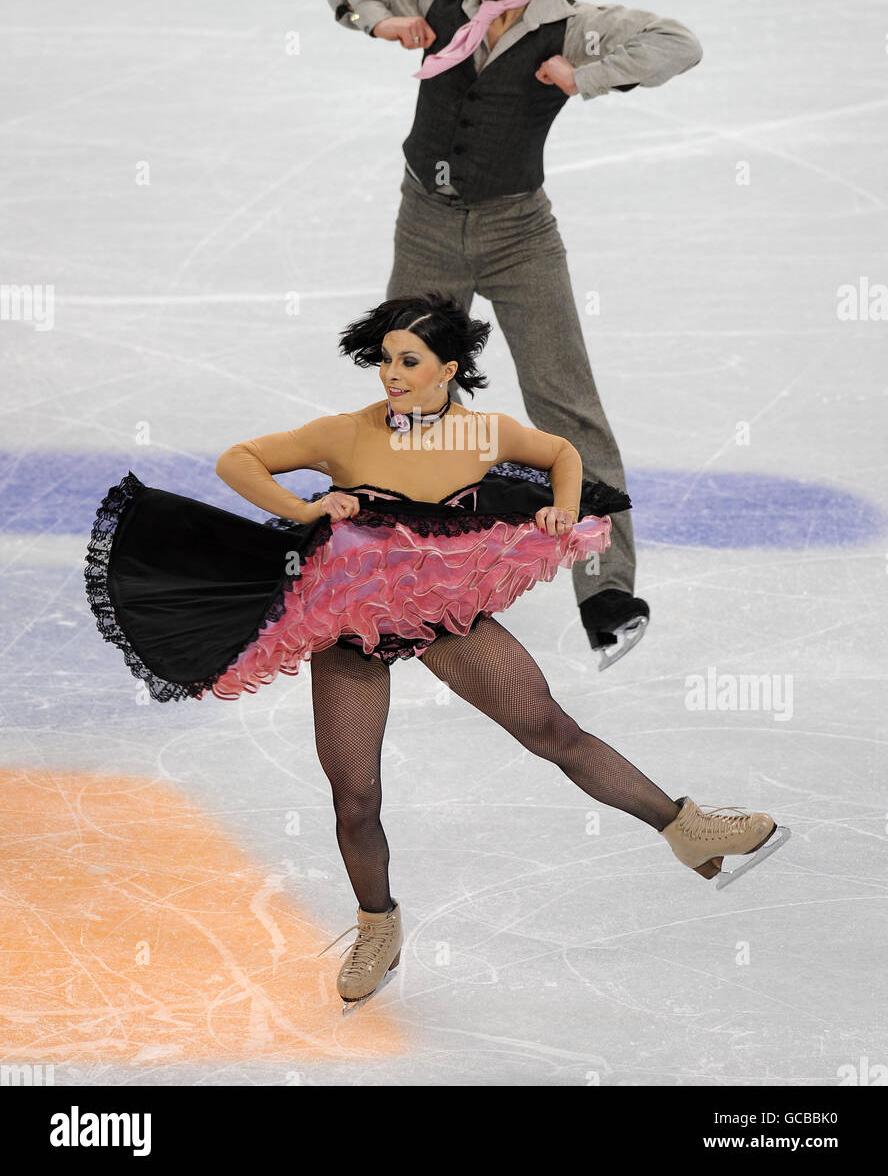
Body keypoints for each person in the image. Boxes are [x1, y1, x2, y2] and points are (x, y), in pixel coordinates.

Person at [84, 294, 789, 1013]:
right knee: (356, 798)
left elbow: (561, 453)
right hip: (350, 626)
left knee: (551, 730)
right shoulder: (347, 434)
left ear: (447, 370)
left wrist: (562, 507)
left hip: (443, 615)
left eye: (408, 361)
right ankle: (377, 924)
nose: (390, 372)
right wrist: (304, 511)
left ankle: (685, 827)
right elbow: (239, 460)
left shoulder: (483, 434)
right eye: (385, 359)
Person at [316, 0, 704, 669]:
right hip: (426, 222)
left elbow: (678, 43)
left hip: (519, 233)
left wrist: (582, 75)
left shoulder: (574, 25)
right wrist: (378, 18)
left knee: (566, 404)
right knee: (414, 402)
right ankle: (421, 583)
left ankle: (608, 594)